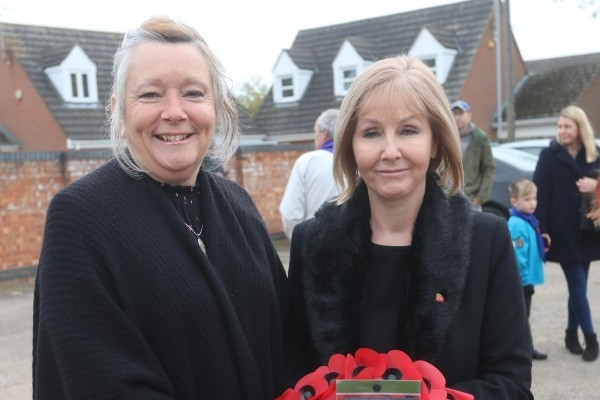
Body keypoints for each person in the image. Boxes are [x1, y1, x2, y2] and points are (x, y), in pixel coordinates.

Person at [33, 17, 290, 399]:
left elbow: (288, 342)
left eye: (193, 93)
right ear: (119, 112)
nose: (174, 111)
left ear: (216, 108)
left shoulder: (239, 206)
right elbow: (97, 379)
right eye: (151, 94)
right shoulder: (81, 218)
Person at [285, 55, 533, 399]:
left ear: (435, 142)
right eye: (371, 133)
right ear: (351, 146)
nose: (390, 151)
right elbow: (293, 373)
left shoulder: (486, 240)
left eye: (408, 130)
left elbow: (511, 383)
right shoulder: (310, 242)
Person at [533, 105, 600, 362]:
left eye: (566, 126)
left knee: (579, 285)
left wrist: (596, 185)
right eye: (559, 126)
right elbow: (541, 195)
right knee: (578, 284)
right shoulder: (549, 155)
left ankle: (571, 334)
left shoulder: (593, 154)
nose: (561, 131)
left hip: (589, 229)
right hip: (563, 232)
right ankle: (591, 338)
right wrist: (543, 229)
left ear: (579, 127)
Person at [279, 108, 340, 239]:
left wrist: (302, 245)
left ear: (324, 133)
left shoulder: (307, 162)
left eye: (315, 131)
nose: (315, 137)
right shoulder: (358, 162)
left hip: (315, 248)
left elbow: (290, 216)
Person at [508, 179, 548, 360]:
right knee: (521, 318)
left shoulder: (528, 220)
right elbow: (518, 256)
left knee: (525, 316)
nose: (532, 203)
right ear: (514, 201)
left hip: (527, 279)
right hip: (522, 281)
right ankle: (522, 350)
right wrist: (525, 281)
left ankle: (526, 348)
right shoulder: (517, 223)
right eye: (527, 199)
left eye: (534, 198)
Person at [450, 100, 495, 211]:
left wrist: (480, 198)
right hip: (448, 197)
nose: (457, 117)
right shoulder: (447, 136)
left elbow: (488, 169)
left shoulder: (480, 138)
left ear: (469, 116)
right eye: (454, 114)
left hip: (470, 198)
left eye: (461, 113)